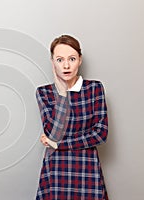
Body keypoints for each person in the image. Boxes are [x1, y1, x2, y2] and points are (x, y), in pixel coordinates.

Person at [35, 35, 108, 199]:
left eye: (72, 59)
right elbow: (53, 132)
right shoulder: (44, 92)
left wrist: (58, 144)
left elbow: (100, 134)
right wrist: (61, 94)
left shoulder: (94, 88)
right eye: (59, 60)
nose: (66, 65)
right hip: (56, 169)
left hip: (87, 167)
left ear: (80, 60)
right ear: (52, 62)